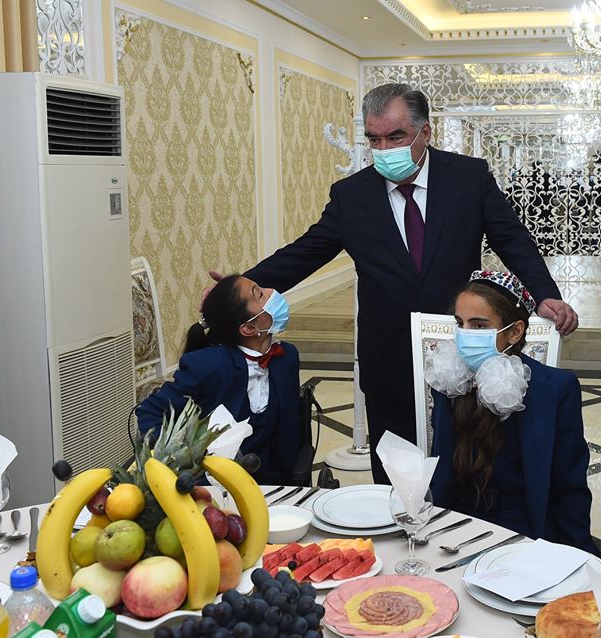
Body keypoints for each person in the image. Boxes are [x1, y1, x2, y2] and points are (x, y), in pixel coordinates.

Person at [242, 83, 577, 484]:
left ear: (425, 132)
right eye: (374, 139)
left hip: (461, 352)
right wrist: (242, 285)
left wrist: (545, 294)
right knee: (396, 476)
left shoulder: (468, 177)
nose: (384, 149)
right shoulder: (352, 195)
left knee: (464, 467)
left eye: (396, 137)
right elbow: (307, 251)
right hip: (388, 357)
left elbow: (512, 240)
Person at [426, 271, 599, 555]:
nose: (464, 334)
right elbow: (441, 469)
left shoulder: (555, 388)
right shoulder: (450, 381)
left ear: (515, 332)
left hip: (525, 525)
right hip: (458, 522)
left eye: (478, 325)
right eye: (460, 323)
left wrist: (578, 552)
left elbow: (570, 483)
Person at [136, 275, 300, 484]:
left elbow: (289, 428)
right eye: (259, 293)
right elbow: (150, 412)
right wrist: (178, 463)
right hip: (213, 483)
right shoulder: (207, 365)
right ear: (248, 328)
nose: (271, 292)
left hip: (271, 480)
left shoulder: (287, 357)